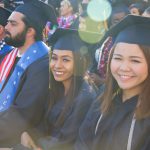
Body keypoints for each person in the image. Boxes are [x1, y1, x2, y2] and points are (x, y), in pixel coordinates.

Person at [10, 28, 96, 150]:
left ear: (79, 62)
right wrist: (27, 134)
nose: (57, 65)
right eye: (54, 58)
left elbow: (65, 143)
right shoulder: (57, 87)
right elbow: (44, 125)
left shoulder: (85, 97)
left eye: (66, 60)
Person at [74, 15, 150, 150]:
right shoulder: (103, 96)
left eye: (135, 60)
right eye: (118, 58)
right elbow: (82, 141)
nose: (124, 68)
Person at [0, 0, 57, 147]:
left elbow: (22, 115)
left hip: (13, 141)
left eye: (13, 24)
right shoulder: (11, 56)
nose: (6, 27)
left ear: (30, 31)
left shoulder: (42, 65)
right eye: (7, 23)